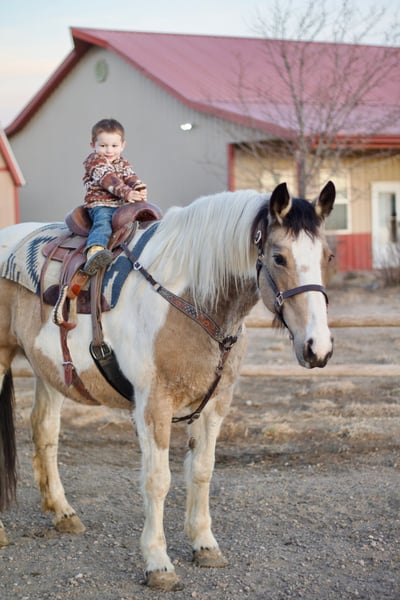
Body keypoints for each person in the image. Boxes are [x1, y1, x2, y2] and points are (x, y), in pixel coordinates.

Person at [82, 118, 147, 275]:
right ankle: (95, 250)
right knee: (103, 222)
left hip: (121, 205)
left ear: (123, 145)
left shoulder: (122, 162)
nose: (109, 151)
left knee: (141, 219)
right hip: (100, 204)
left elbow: (130, 176)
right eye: (103, 146)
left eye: (114, 146)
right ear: (93, 145)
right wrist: (127, 192)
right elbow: (108, 179)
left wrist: (138, 188)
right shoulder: (94, 161)